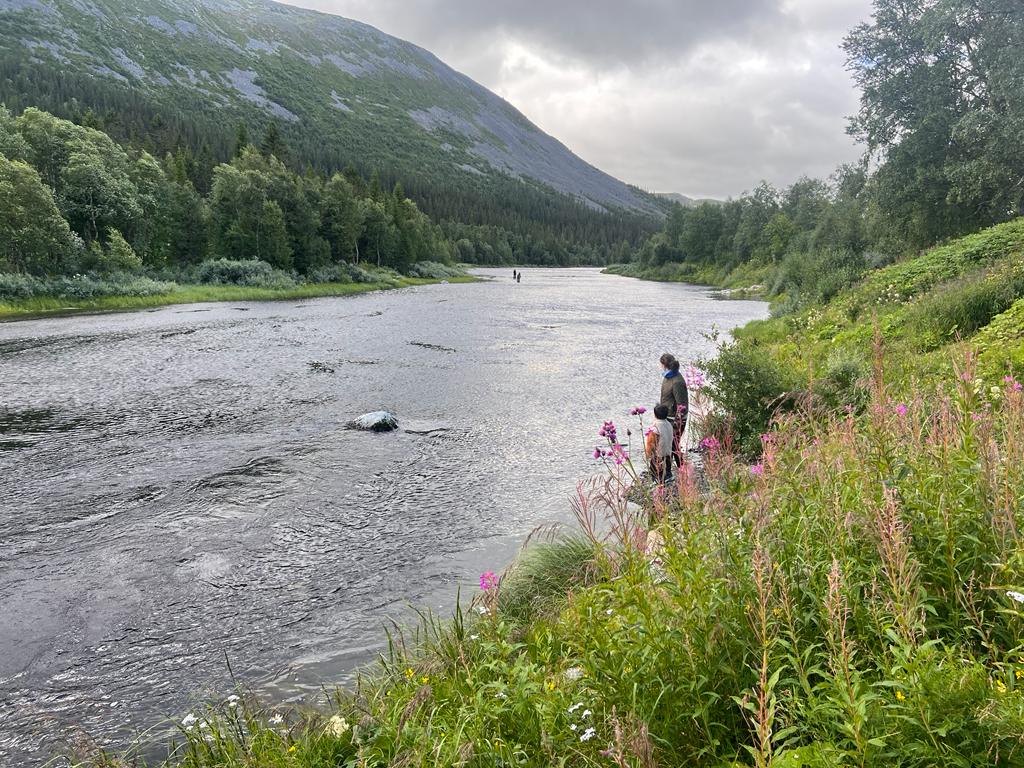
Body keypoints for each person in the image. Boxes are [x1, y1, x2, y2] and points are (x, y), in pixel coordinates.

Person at [659, 353, 689, 466]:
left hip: (675, 420)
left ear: (664, 365)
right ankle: (680, 469)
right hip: (667, 417)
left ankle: (675, 470)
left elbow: (682, 405)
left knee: (672, 445)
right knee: (671, 445)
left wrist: (678, 423)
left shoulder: (677, 382)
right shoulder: (667, 378)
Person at [645, 404, 674, 485]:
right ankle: (668, 476)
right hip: (668, 452)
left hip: (659, 454)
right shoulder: (669, 424)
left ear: (655, 414)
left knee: (655, 467)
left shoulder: (655, 427)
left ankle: (656, 479)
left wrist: (649, 453)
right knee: (667, 466)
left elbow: (651, 442)